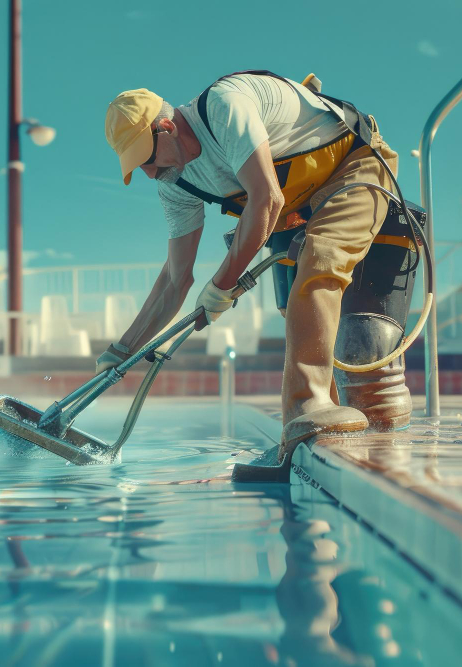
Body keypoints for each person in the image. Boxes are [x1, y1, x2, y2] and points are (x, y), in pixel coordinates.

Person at [101, 71, 407, 468]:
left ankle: (308, 406)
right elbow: (175, 280)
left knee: (321, 260)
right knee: (292, 294)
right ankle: (312, 435)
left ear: (166, 127)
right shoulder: (174, 183)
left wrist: (222, 285)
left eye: (145, 157)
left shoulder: (225, 108)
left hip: (354, 163)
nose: (147, 172)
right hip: (297, 201)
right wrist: (121, 350)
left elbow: (265, 201)